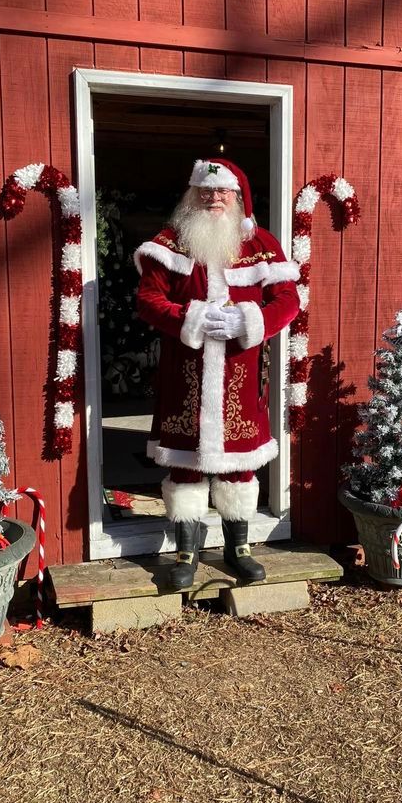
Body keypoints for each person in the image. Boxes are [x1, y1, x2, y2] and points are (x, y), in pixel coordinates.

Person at [135, 159, 300, 590]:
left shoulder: (261, 243)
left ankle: (238, 549)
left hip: (241, 375)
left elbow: (288, 299)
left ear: (238, 197)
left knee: (239, 466)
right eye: (205, 191)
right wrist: (188, 317)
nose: (213, 198)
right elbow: (148, 299)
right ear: (192, 195)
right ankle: (186, 554)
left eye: (222, 191)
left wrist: (249, 320)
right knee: (184, 465)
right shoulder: (170, 241)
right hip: (184, 375)